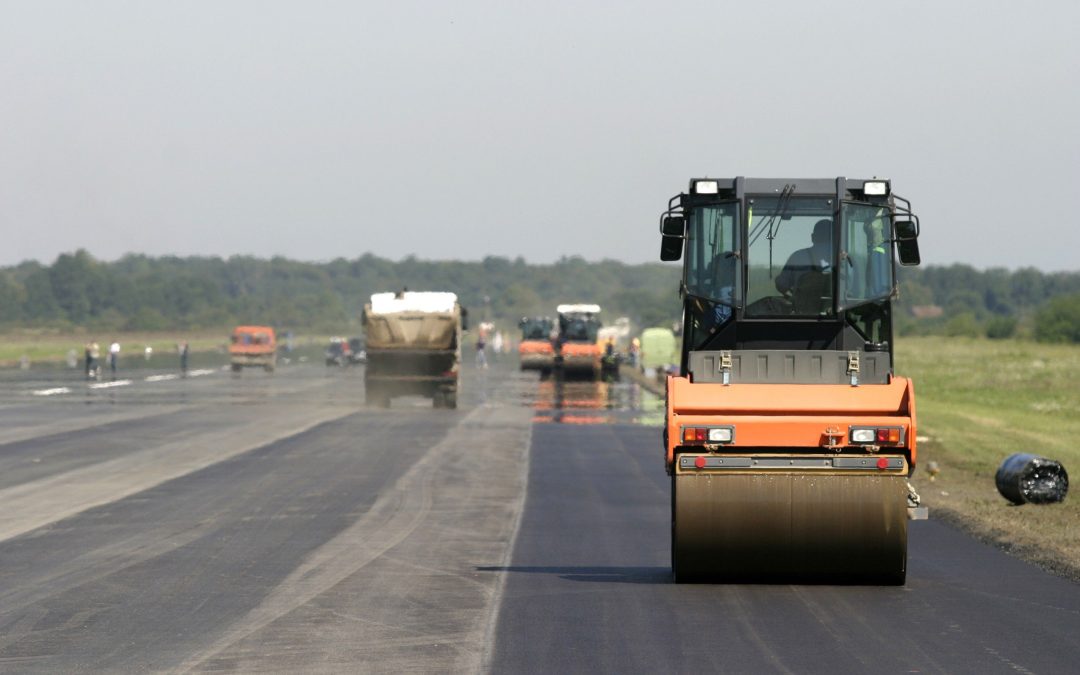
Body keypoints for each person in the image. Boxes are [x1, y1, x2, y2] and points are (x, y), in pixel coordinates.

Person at [775, 219, 833, 296]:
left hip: (803, 306)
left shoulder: (798, 257)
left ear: (813, 237)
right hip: (837, 307)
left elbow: (781, 284)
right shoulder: (845, 259)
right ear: (835, 237)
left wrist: (793, 298)